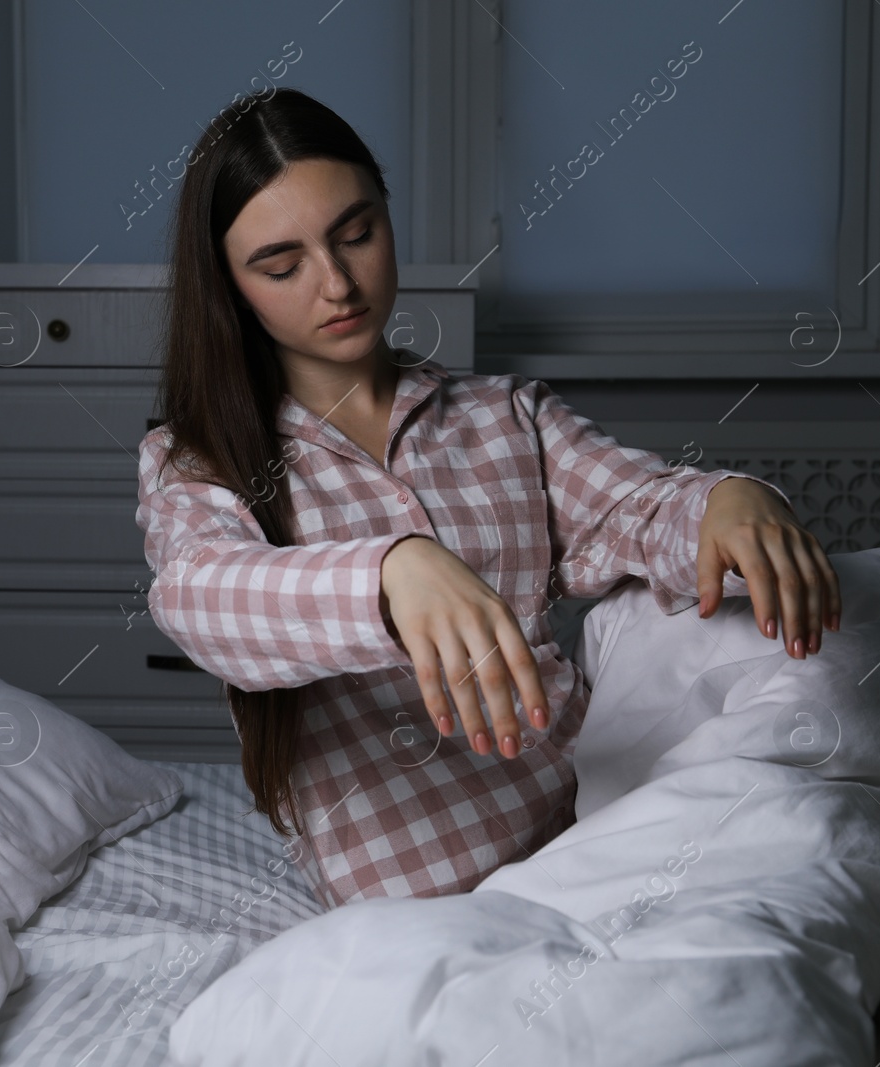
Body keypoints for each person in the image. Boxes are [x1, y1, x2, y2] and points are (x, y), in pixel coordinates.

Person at [134, 88, 841, 909]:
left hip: (602, 823)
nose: (336, 283)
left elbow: (642, 506)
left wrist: (726, 498)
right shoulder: (195, 462)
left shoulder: (504, 413)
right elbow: (198, 594)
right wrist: (392, 574)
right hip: (428, 900)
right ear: (229, 286)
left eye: (357, 234)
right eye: (282, 265)